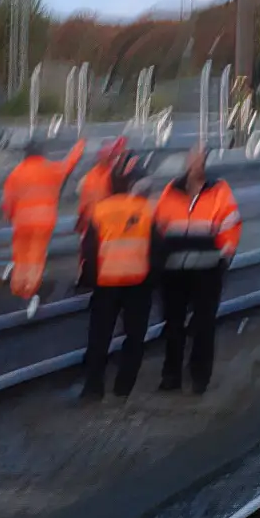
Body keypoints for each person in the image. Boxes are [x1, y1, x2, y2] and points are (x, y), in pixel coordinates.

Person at [153, 144, 242, 394]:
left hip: (207, 270)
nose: (196, 164)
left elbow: (231, 225)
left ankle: (199, 378)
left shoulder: (219, 191)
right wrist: (159, 261)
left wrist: (223, 259)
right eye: (193, 159)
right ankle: (171, 376)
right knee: (173, 326)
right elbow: (158, 225)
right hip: (174, 272)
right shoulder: (171, 190)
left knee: (204, 327)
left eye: (200, 160)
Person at [79, 152, 157, 401]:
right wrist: (152, 280)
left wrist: (91, 281)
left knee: (99, 338)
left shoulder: (100, 210)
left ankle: (93, 387)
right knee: (135, 337)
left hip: (106, 284)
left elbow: (89, 251)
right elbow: (157, 249)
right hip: (138, 284)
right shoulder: (147, 210)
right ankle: (123, 387)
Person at [1, 137, 86, 316]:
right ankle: (30, 292)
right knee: (35, 256)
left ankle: (18, 288)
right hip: (43, 221)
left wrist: (10, 217)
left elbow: (8, 201)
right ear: (41, 152)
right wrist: (80, 145)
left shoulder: (16, 173)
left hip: (22, 221)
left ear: (26, 153)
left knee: (21, 254)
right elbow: (69, 163)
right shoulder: (52, 169)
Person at [72, 134, 130, 292]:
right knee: (89, 253)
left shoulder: (104, 175)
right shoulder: (97, 176)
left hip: (103, 222)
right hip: (93, 221)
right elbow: (84, 199)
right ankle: (86, 278)